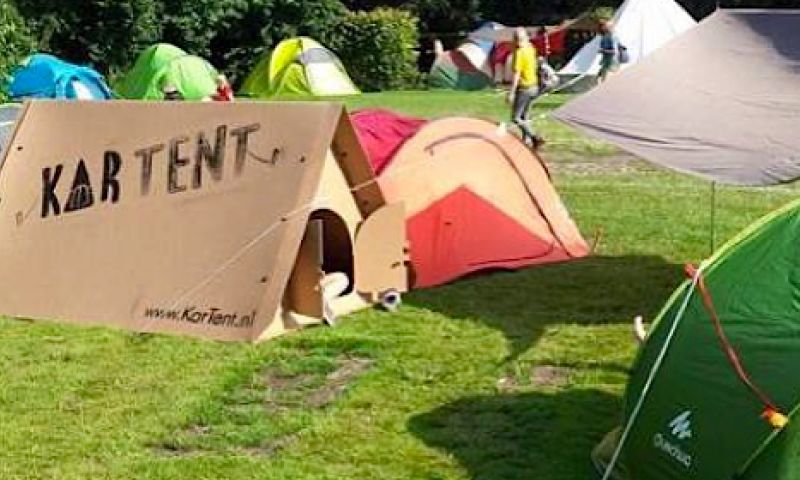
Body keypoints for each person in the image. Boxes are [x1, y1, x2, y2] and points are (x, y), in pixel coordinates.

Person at [507, 27, 545, 149]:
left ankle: (534, 137)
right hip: (534, 86)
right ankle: (526, 141)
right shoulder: (530, 48)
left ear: (515, 39)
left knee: (516, 118)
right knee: (525, 117)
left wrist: (511, 93)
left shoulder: (519, 53)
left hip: (524, 88)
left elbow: (517, 74)